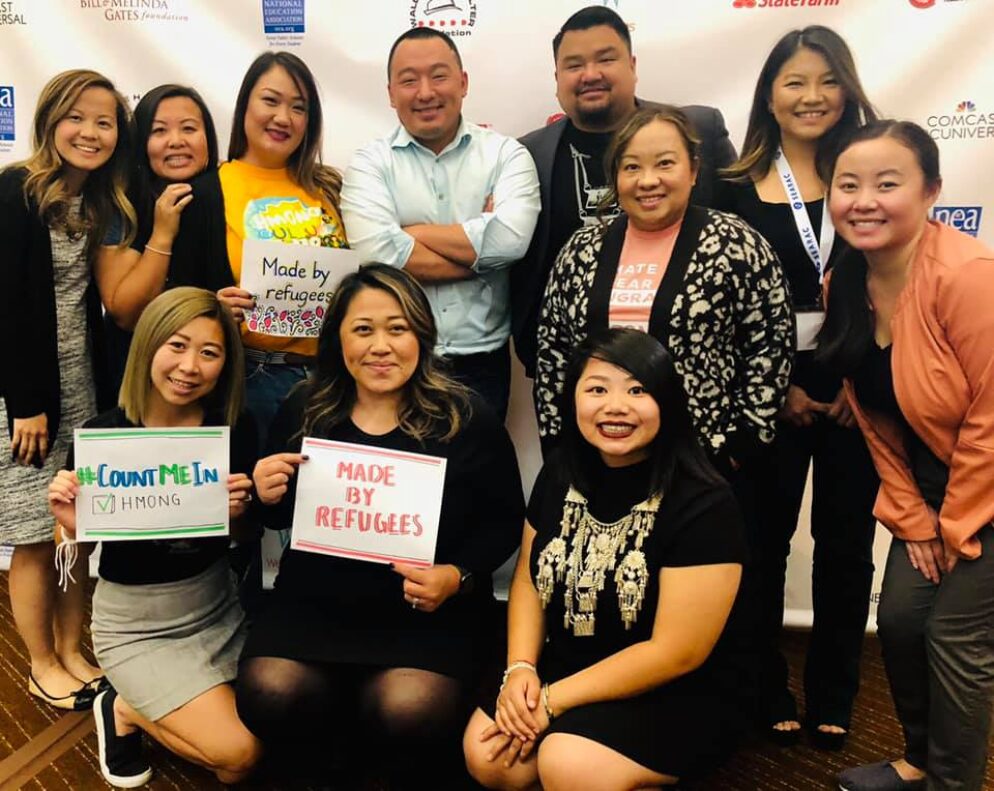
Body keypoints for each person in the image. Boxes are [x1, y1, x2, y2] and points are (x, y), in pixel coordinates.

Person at [235, 265, 523, 788]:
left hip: (422, 614)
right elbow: (276, 516)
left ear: (422, 335)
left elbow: (503, 522)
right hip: (316, 602)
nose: (381, 346)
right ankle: (335, 747)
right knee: (267, 691)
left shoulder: (465, 416)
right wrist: (263, 490)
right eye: (363, 329)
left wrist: (457, 575)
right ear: (338, 339)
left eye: (398, 328)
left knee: (410, 709)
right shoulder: (307, 408)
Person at [464, 328, 749, 789]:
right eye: (597, 389)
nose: (615, 406)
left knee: (567, 764)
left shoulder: (704, 501)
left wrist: (552, 701)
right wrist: (521, 670)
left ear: (668, 403)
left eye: (638, 390)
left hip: (674, 686)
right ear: (573, 398)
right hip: (572, 658)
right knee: (489, 758)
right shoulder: (560, 471)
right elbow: (528, 581)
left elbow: (677, 652)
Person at [818, 122, 994, 791]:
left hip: (986, 477)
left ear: (932, 192)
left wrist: (956, 523)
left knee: (954, 637)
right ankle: (920, 758)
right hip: (932, 479)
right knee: (898, 619)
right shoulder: (848, 282)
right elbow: (874, 412)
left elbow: (990, 418)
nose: (864, 200)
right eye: (848, 184)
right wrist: (912, 513)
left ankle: (955, 782)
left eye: (887, 184)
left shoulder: (970, 277)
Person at [718, 26, 879, 749]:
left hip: (857, 390)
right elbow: (718, 304)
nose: (811, 96)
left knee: (845, 547)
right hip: (764, 391)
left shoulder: (874, 171)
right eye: (794, 82)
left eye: (825, 80)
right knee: (761, 543)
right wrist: (775, 385)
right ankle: (762, 687)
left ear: (846, 88)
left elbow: (898, 289)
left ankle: (835, 693)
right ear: (769, 95)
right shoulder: (731, 185)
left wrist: (857, 382)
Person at [48, 287, 261, 787]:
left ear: (225, 364)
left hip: (218, 603)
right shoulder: (101, 436)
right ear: (147, 346)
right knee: (239, 759)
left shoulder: (234, 429)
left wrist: (237, 514)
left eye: (209, 353)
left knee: (285, 713)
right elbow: (73, 555)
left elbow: (248, 536)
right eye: (177, 345)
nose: (190, 366)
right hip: (138, 625)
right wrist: (71, 527)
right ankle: (122, 708)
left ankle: (150, 703)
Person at [534, 106, 793, 479]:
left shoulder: (734, 243)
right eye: (632, 167)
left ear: (693, 170)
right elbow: (553, 353)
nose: (648, 180)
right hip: (599, 460)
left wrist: (741, 445)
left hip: (705, 463)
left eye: (665, 164)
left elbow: (770, 347)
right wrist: (558, 445)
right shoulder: (582, 249)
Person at [0, 69, 133, 711]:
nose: (90, 131)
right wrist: (25, 401)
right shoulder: (15, 189)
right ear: (51, 119)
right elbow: (5, 305)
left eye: (104, 121)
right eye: (77, 117)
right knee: (31, 533)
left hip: (82, 392)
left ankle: (74, 647)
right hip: (25, 401)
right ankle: (41, 662)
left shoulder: (102, 202)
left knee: (76, 529)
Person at [510, 4, 738, 378]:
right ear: (556, 77)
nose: (590, 74)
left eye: (605, 59)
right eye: (574, 65)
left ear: (632, 65)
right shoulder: (527, 155)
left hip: (690, 367)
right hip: (576, 375)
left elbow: (741, 235)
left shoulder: (698, 130)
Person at [341, 27, 540, 420]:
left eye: (439, 75)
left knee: (476, 477)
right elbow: (377, 257)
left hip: (483, 365)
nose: (426, 92)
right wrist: (480, 247)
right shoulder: (370, 164)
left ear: (463, 82)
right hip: (396, 361)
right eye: (409, 80)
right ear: (391, 93)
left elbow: (510, 243)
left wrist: (411, 234)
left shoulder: (506, 155)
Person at [218, 51, 349, 440]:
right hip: (254, 378)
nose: (283, 118)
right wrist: (213, 307)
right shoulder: (212, 187)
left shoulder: (329, 186)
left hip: (333, 378)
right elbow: (181, 295)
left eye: (298, 107)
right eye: (270, 101)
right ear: (245, 105)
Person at [96, 84, 234, 391]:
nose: (176, 142)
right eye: (159, 131)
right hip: (134, 377)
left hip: (209, 377)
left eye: (189, 128)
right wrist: (162, 233)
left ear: (208, 138)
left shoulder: (229, 195)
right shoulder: (122, 204)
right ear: (141, 142)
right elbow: (126, 314)